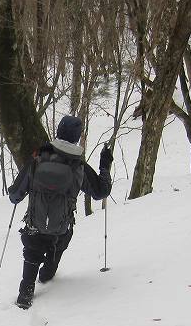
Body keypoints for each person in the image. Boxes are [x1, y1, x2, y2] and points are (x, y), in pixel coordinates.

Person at [7, 115, 113, 309]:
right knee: (57, 245)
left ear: (58, 132)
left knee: (32, 251)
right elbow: (101, 192)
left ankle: (25, 293)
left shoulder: (37, 159)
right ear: (77, 137)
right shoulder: (78, 167)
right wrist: (104, 165)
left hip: (35, 226)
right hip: (61, 229)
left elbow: (15, 196)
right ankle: (47, 275)